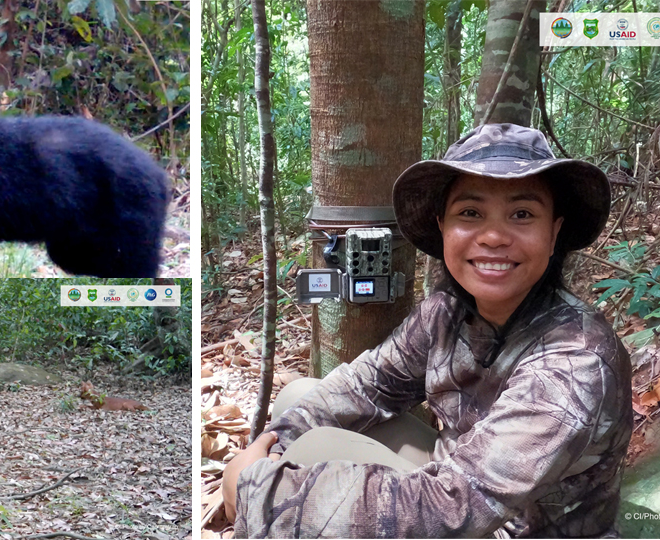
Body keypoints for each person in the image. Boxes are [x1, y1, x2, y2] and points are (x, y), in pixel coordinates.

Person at [221, 124, 632, 538]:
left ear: (553, 232)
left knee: (311, 453)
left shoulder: (577, 358)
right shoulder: (447, 313)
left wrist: (260, 490)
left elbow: (451, 508)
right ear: (443, 227)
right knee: (300, 401)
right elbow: (369, 384)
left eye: (521, 214)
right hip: (460, 478)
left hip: (515, 524)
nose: (492, 236)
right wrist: (268, 446)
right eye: (470, 213)